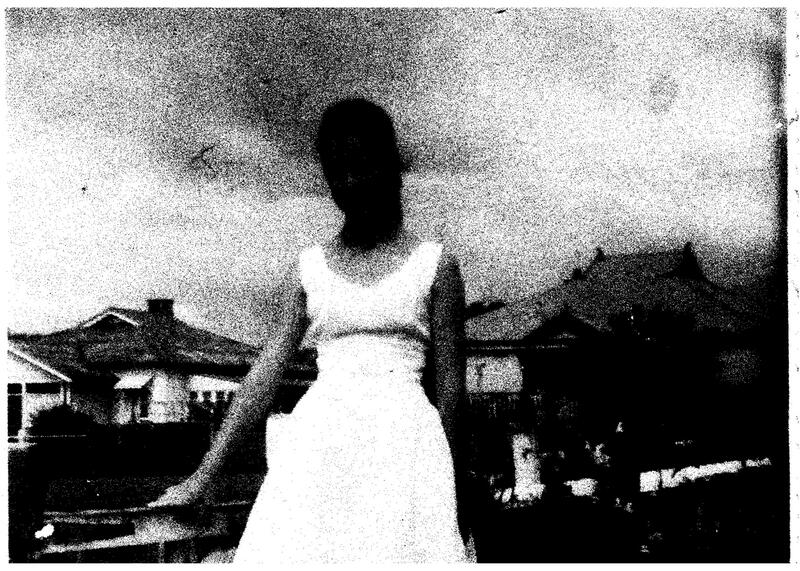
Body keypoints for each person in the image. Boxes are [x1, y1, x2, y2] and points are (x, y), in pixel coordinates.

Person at [151, 97, 469, 563]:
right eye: (337, 172)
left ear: (390, 166)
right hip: (319, 446)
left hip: (406, 450)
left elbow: (452, 393)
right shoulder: (309, 269)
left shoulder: (436, 266)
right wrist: (202, 479)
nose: (351, 183)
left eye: (363, 166)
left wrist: (454, 498)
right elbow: (263, 377)